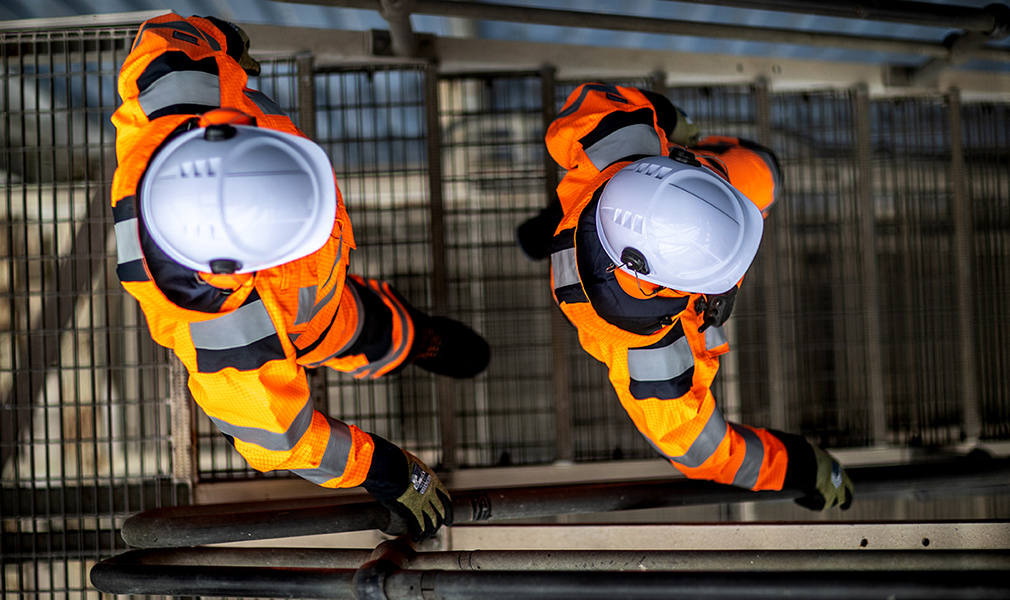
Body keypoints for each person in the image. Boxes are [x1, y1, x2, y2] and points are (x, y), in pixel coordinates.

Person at [111, 13, 490, 541]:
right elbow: (280, 438)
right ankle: (403, 340)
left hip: (317, 291)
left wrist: (224, 40)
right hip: (301, 322)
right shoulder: (227, 339)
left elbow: (171, 36)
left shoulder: (175, 114)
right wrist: (384, 468)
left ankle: (411, 337)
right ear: (236, 266)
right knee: (348, 328)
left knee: (368, 322)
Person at [517, 83, 853, 511]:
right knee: (765, 171)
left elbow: (592, 100)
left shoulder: (619, 142)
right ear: (673, 283)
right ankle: (553, 224)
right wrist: (801, 466)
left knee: (766, 171)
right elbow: (704, 452)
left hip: (688, 185)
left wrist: (665, 116)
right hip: (681, 188)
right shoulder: (654, 360)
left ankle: (557, 220)